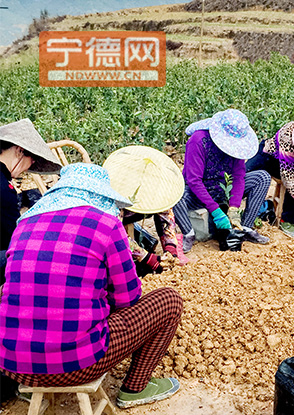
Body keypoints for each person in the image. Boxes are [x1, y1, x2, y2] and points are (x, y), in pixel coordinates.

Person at [0, 163, 183, 408]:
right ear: (100, 195)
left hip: (14, 367)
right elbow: (128, 298)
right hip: (76, 365)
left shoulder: (24, 224)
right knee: (169, 300)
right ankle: (135, 388)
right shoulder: (105, 224)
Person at [173, 109, 271, 252]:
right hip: (197, 192)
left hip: (224, 189)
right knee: (175, 193)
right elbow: (194, 180)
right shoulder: (198, 141)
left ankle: (245, 228)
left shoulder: (237, 146)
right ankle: (189, 233)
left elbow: (238, 176)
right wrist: (216, 211)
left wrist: (234, 207)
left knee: (262, 177)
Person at [103, 145, 186, 277]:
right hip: (108, 228)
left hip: (129, 220)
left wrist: (170, 250)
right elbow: (117, 234)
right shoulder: (114, 200)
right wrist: (146, 257)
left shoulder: (159, 192)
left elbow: (166, 219)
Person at [0, 119, 61, 282]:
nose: (30, 165)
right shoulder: (4, 189)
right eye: (32, 158)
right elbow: (12, 240)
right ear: (19, 151)